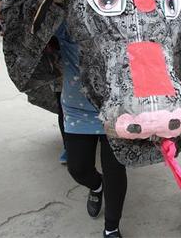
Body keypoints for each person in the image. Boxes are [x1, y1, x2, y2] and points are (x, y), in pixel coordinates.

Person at [55, 24, 127, 238]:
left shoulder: (123, 25)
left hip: (116, 110)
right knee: (77, 168)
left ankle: (111, 227)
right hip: (77, 110)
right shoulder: (66, 26)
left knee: (115, 171)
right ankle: (96, 186)